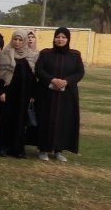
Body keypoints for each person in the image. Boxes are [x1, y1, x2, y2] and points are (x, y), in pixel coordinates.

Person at [34, 27, 84, 162]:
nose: (60, 39)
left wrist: (66, 81)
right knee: (46, 119)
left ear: (68, 39)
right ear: (54, 38)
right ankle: (43, 150)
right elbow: (38, 69)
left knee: (63, 121)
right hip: (47, 94)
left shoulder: (75, 55)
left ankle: (58, 151)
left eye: (63, 37)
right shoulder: (45, 53)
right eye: (58, 37)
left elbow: (79, 72)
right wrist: (52, 79)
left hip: (67, 95)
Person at [0, 29, 38, 158]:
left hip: (23, 93)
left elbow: (34, 77)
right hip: (7, 93)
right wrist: (0, 92)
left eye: (20, 40)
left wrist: (32, 95)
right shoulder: (5, 54)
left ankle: (17, 149)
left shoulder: (32, 55)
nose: (17, 42)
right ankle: (1, 147)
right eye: (15, 39)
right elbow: (0, 76)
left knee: (20, 121)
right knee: (5, 120)